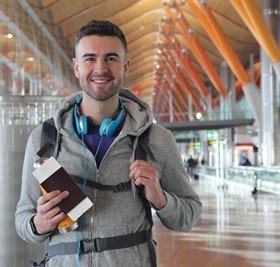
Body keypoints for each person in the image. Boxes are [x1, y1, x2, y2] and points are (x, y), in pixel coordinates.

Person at [15, 20, 202, 266]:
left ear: (125, 66)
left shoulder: (156, 139)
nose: (100, 68)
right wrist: (38, 224)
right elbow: (23, 219)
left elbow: (188, 216)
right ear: (76, 67)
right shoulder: (45, 139)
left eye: (111, 58)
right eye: (90, 58)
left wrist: (160, 198)